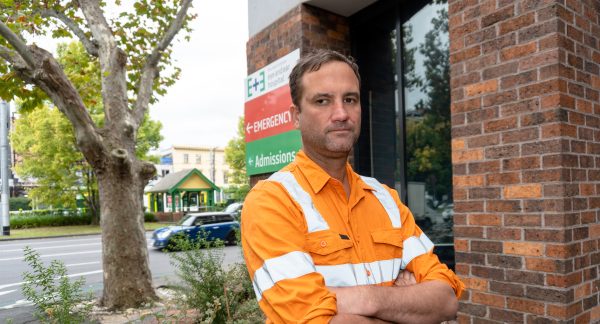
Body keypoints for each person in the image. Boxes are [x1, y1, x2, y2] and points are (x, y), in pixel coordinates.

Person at [241, 49, 464, 323]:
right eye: (322, 101)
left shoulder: (384, 198)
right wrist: (405, 307)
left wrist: (363, 299)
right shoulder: (272, 201)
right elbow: (311, 319)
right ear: (295, 116)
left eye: (350, 99)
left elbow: (445, 299)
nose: (341, 114)